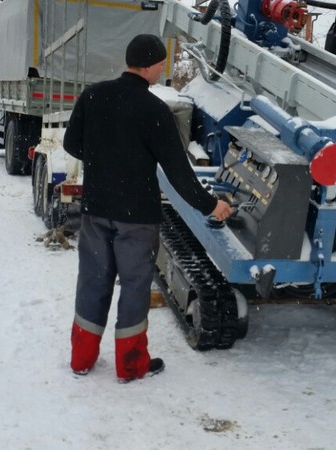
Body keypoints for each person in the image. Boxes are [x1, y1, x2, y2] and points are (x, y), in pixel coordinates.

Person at [63, 33, 233, 383]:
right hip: (137, 218)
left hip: (96, 210)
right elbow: (179, 174)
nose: (162, 69)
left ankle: (81, 357)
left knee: (93, 282)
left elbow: (71, 143)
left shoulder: (93, 96)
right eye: (161, 64)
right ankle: (130, 365)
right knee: (135, 287)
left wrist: (104, 162)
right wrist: (211, 205)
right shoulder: (155, 110)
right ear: (151, 64)